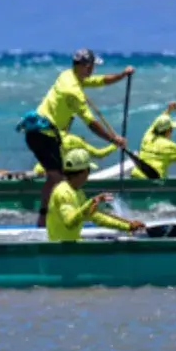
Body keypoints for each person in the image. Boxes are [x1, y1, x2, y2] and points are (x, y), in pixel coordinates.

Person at [16, 48, 132, 227]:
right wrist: (113, 139)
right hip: (43, 136)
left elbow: (99, 81)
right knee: (59, 180)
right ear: (85, 66)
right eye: (92, 66)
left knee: (54, 177)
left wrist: (122, 75)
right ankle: (58, 219)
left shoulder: (67, 75)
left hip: (41, 133)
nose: (93, 70)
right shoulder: (74, 92)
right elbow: (91, 123)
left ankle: (43, 219)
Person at [47, 148, 145, 242]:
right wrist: (91, 202)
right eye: (89, 170)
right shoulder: (63, 193)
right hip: (60, 253)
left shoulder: (78, 192)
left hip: (72, 247)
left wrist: (128, 226)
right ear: (84, 172)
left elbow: (97, 218)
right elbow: (70, 222)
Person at [32, 132, 117, 176]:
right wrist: (115, 145)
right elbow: (99, 154)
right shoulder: (77, 141)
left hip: (40, 170)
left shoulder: (52, 138)